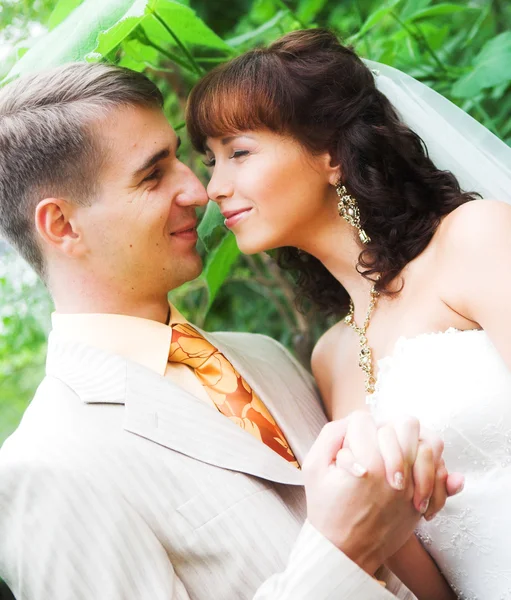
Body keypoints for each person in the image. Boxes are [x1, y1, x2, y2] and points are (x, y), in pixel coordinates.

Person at [0, 62, 462, 600]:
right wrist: (342, 551)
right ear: (62, 225)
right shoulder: (48, 466)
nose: (199, 191)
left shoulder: (265, 358)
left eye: (179, 159)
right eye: (152, 175)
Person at [186, 27, 511, 600]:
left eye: (238, 152)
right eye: (211, 161)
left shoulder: (475, 239)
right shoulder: (331, 357)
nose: (215, 187)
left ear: (332, 154)